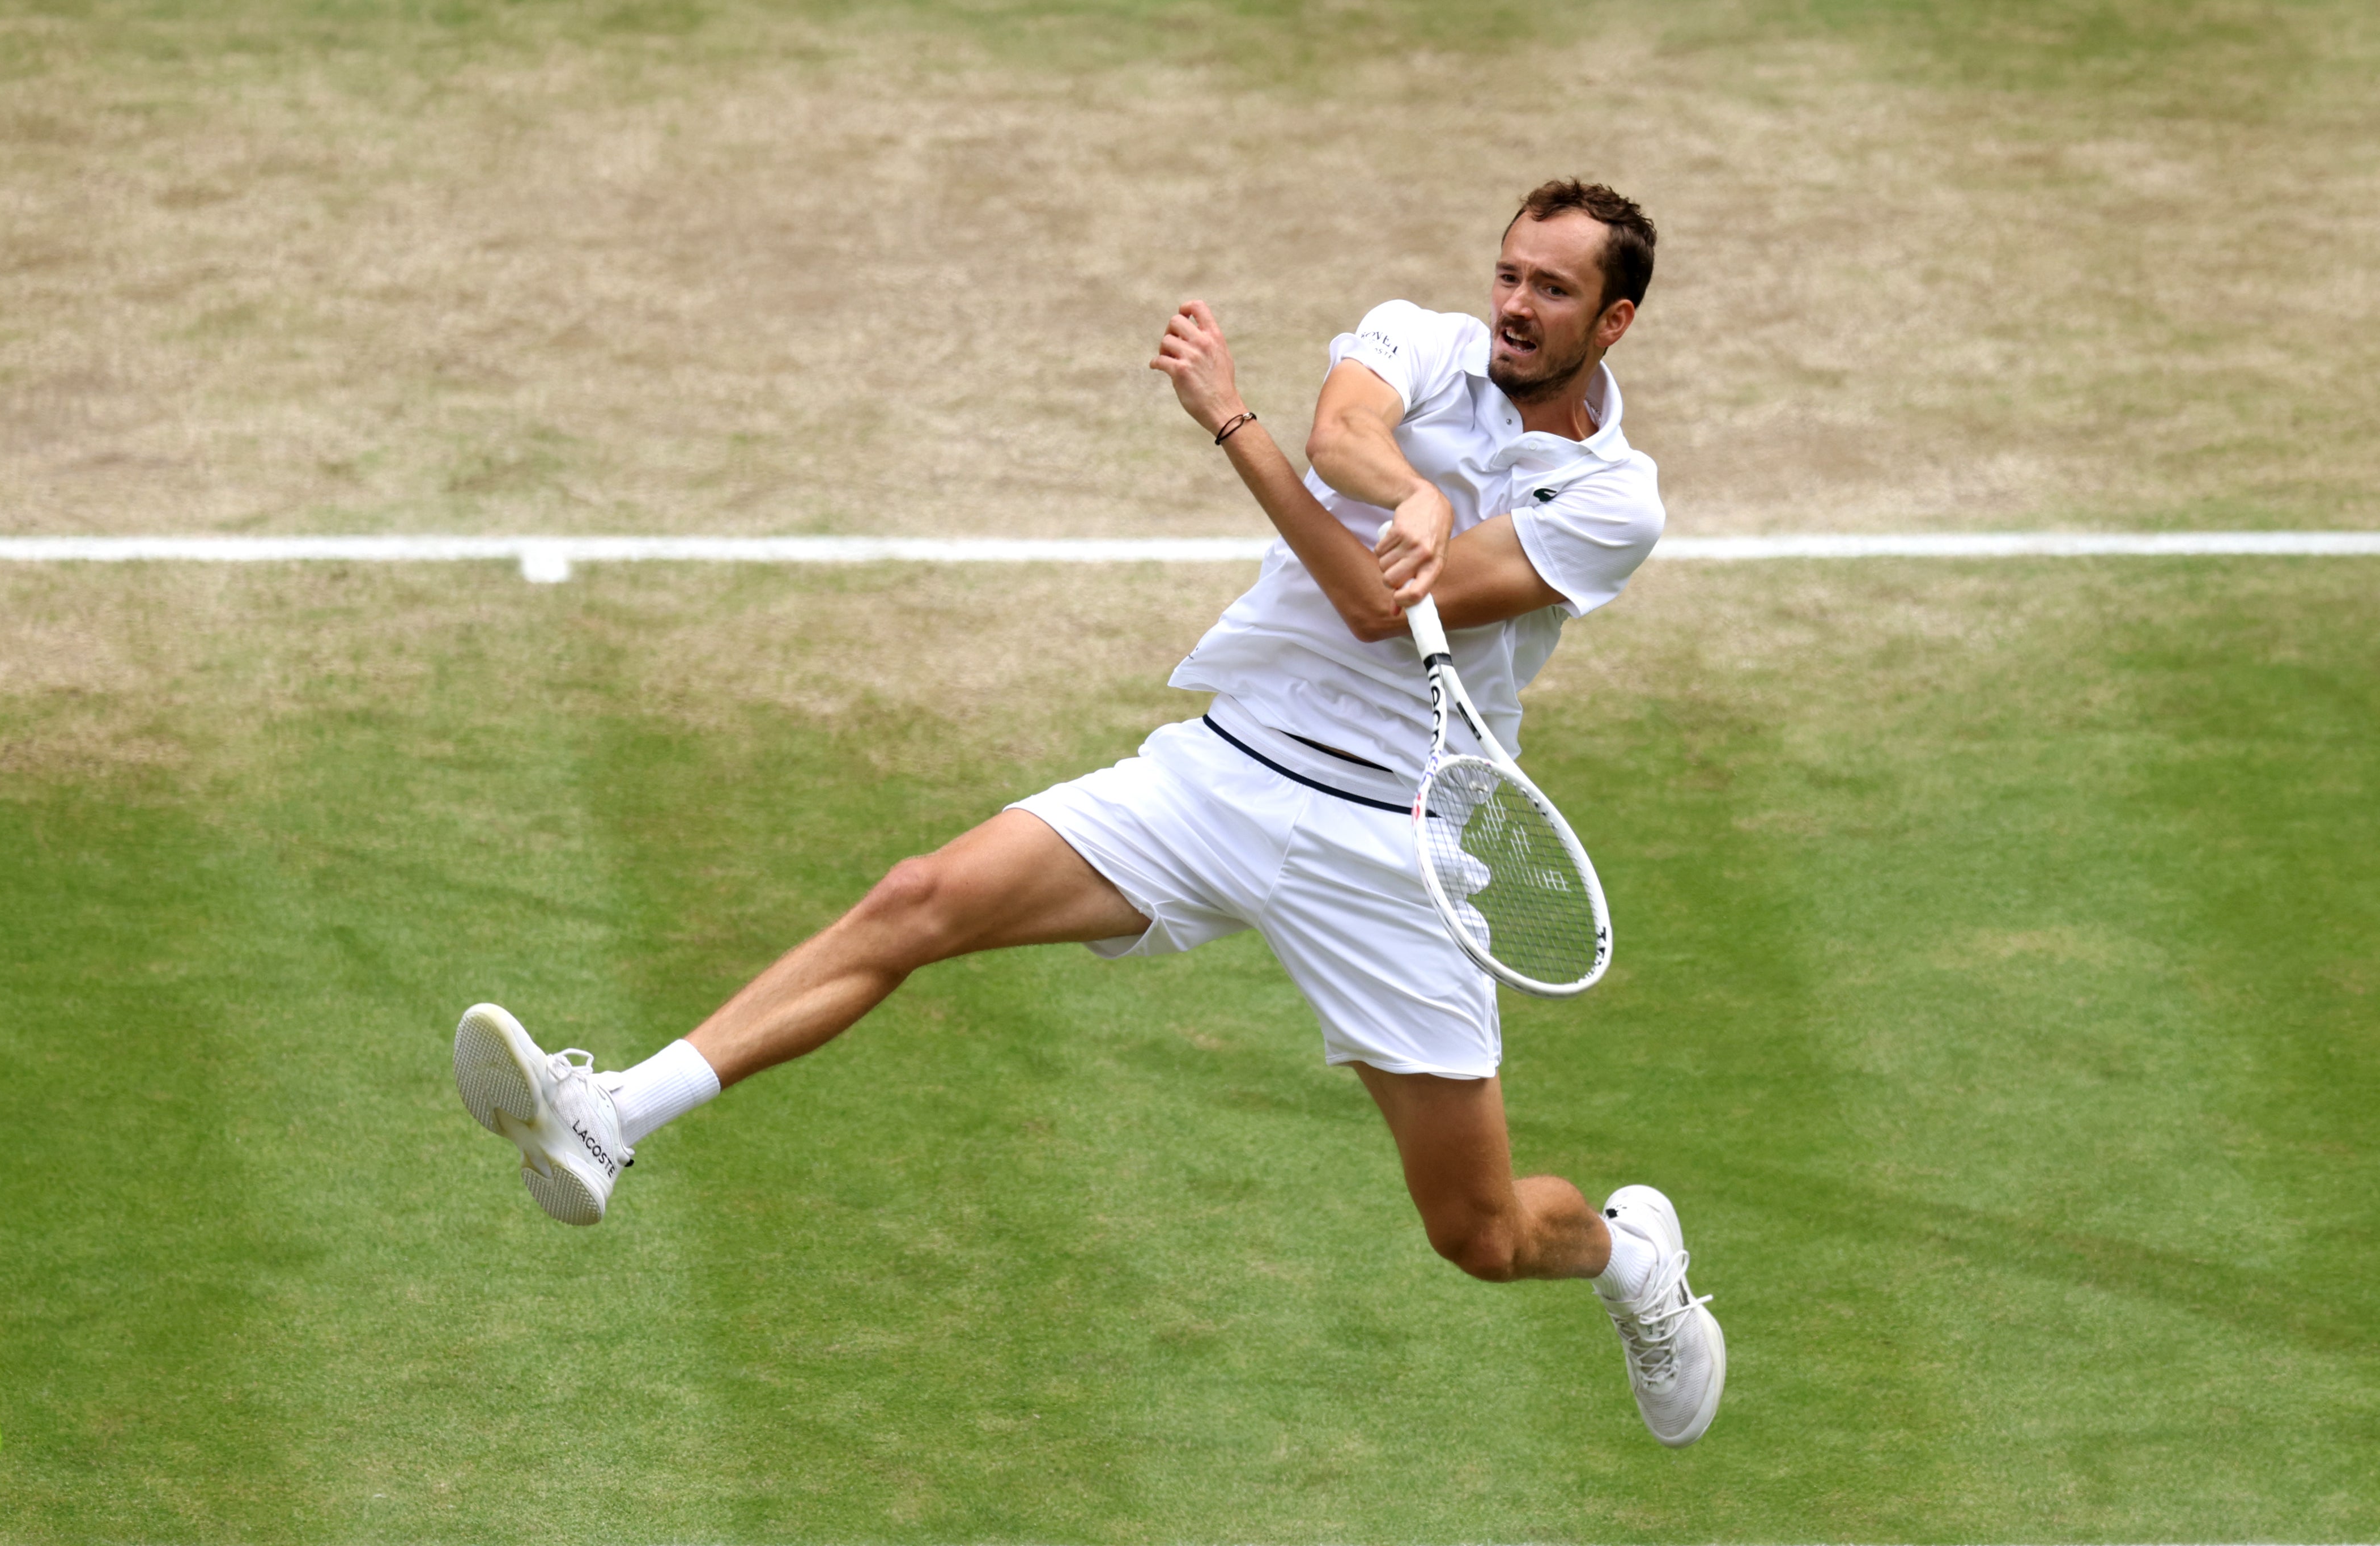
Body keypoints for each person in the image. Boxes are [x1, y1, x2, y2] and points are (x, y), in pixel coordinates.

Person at [453, 179, 1725, 1446]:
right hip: (1227, 769)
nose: (1512, 305)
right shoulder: (1417, 337)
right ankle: (611, 1115)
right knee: (919, 899)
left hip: (1393, 848)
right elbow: (1345, 436)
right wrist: (1418, 489)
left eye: (1550, 291)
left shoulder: (1615, 500)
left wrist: (1231, 423)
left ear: (1610, 324)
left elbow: (1373, 605)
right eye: (1507, 273)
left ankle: (1626, 1260)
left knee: (1479, 1230)